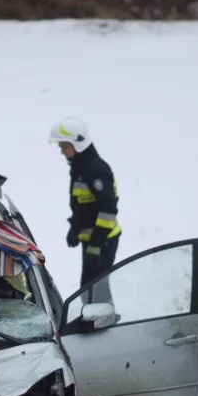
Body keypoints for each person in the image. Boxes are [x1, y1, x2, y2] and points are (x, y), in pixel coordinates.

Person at [49, 116, 121, 288]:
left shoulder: (95, 171)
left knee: (96, 292)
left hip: (104, 240)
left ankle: (104, 316)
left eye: (64, 147)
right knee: (89, 291)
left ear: (77, 144)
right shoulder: (80, 168)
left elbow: (108, 211)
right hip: (93, 241)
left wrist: (96, 244)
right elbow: (84, 207)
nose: (62, 152)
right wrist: (75, 229)